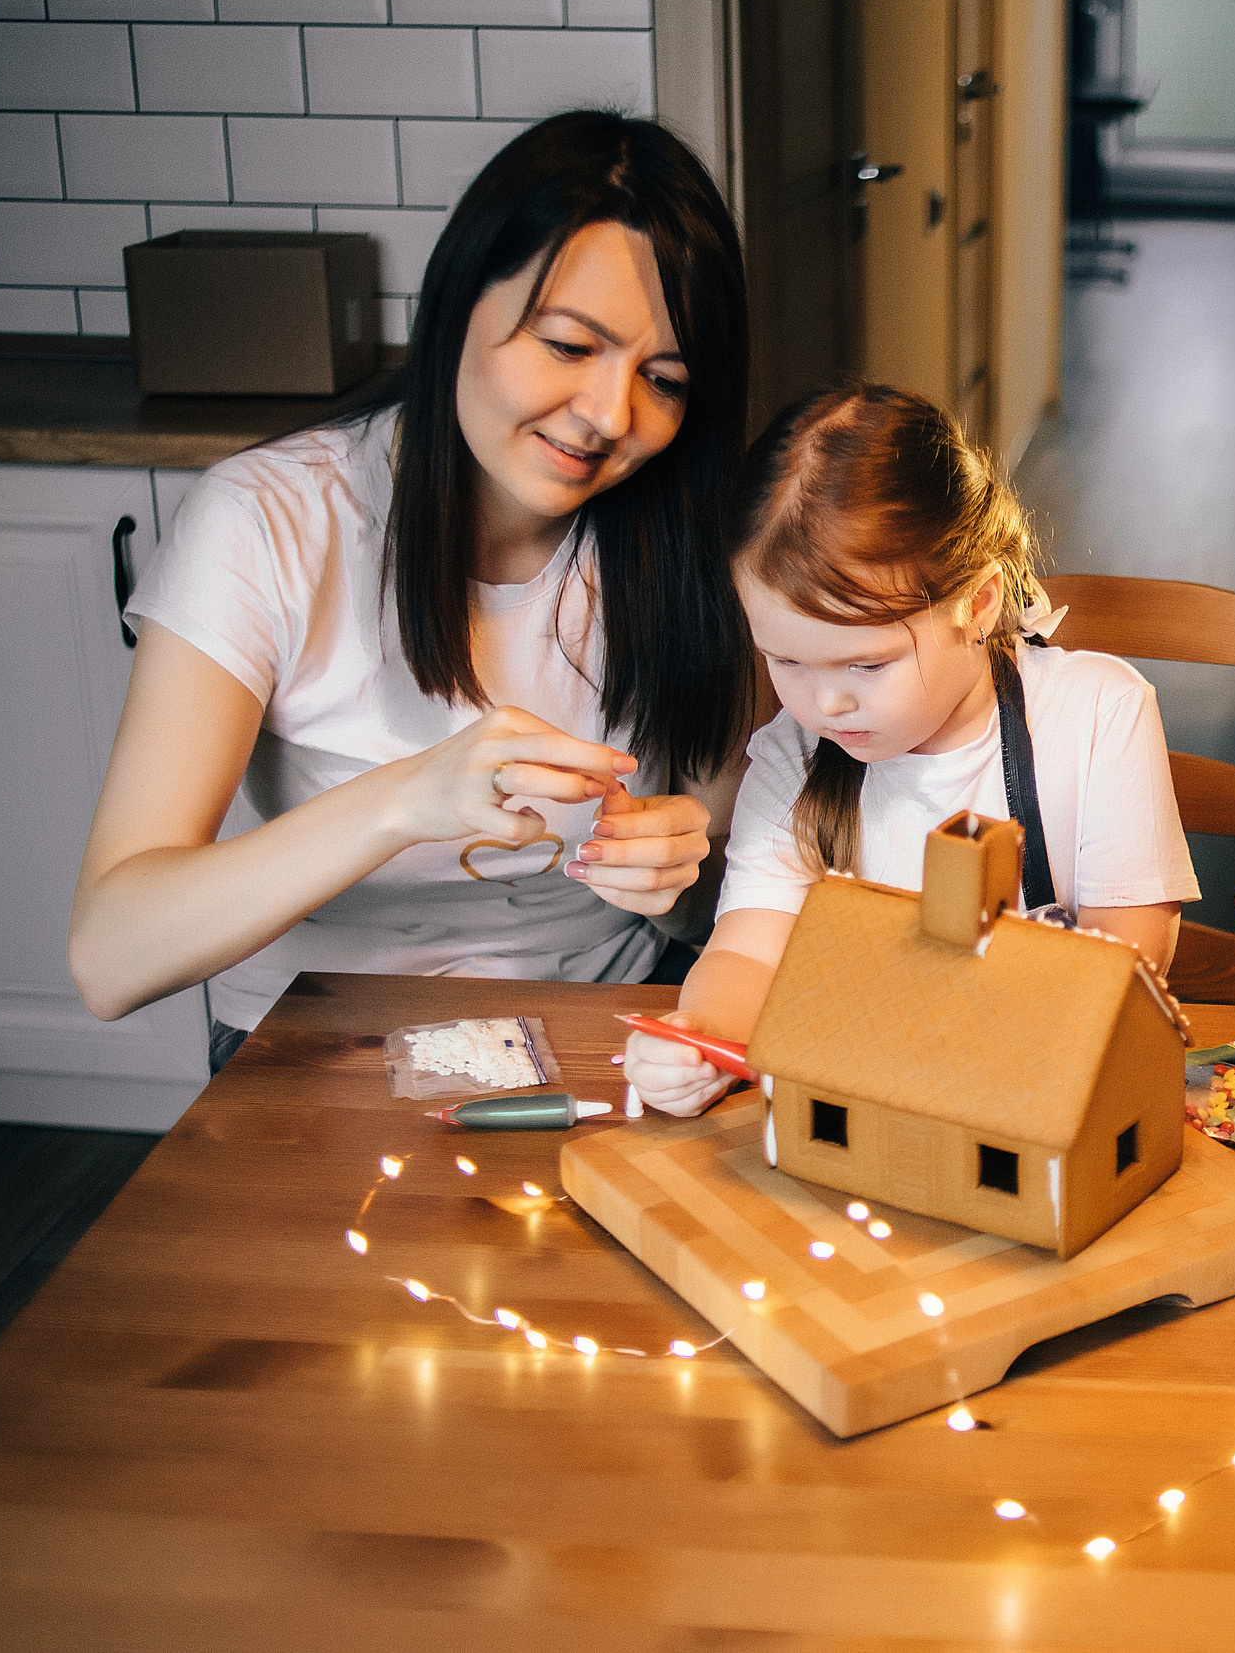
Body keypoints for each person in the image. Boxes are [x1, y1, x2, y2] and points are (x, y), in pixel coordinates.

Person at [69, 112, 755, 1068]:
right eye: (566, 346)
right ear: (458, 302)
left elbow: (732, 912)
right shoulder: (268, 521)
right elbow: (111, 954)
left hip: (609, 1029)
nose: (609, 415)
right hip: (320, 1041)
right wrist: (400, 802)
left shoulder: (699, 539)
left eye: (665, 378)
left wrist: (677, 884)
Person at [621, 382, 1200, 1115]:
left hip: (1039, 1094)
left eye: (867, 665)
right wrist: (697, 1037)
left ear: (979, 603)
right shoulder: (793, 759)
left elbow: (1132, 958)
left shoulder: (1097, 717)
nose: (825, 703)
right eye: (788, 662)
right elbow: (746, 954)